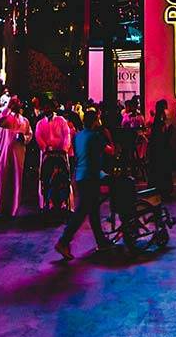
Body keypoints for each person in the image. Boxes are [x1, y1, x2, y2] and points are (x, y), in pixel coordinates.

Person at [55, 111, 122, 259]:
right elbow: (111, 152)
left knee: (92, 210)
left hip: (80, 175)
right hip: (91, 176)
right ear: (95, 122)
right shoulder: (96, 136)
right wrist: (108, 135)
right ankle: (63, 241)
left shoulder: (78, 136)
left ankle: (101, 241)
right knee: (82, 211)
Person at [0, 97, 36, 216]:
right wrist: (8, 107)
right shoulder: (7, 118)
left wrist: (23, 138)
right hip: (5, 152)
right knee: (2, 178)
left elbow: (29, 134)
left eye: (17, 103)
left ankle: (13, 207)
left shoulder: (24, 120)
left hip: (18, 153)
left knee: (15, 179)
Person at [35, 108, 75, 211]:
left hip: (61, 152)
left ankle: (65, 203)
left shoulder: (61, 120)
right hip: (47, 153)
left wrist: (65, 148)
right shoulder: (40, 123)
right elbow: (38, 136)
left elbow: (67, 135)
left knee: (64, 177)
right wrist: (45, 147)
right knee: (46, 178)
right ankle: (47, 201)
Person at [146, 99, 174, 194]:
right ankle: (165, 187)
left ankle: (156, 186)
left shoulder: (157, 117)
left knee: (156, 166)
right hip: (163, 146)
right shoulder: (165, 117)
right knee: (164, 167)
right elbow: (167, 131)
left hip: (156, 146)